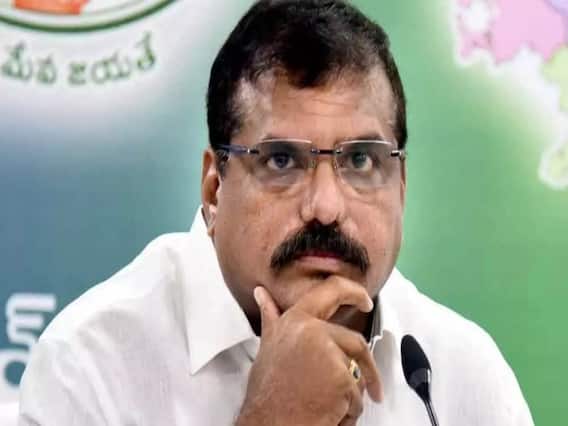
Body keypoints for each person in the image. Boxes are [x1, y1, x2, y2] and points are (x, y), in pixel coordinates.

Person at [18, 1, 534, 425]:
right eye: (282, 160)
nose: (326, 207)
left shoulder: (460, 372)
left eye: (360, 160)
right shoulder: (90, 365)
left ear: (400, 185)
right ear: (214, 189)